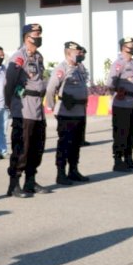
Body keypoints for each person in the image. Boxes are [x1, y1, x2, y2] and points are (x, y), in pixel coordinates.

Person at [4, 23, 51, 197]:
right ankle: (14, 184)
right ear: (26, 37)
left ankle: (30, 181)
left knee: (37, 147)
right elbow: (9, 84)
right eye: (35, 34)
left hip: (38, 109)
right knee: (21, 148)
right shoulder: (18, 57)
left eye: (40, 33)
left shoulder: (38, 57)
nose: (39, 36)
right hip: (23, 110)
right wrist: (11, 105)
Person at [46, 42, 90, 185]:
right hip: (66, 113)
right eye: (76, 51)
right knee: (65, 144)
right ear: (68, 52)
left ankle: (73, 170)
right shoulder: (62, 68)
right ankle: (61, 173)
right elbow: (51, 88)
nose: (79, 54)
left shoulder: (80, 68)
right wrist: (53, 107)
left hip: (79, 112)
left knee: (76, 144)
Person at [106, 37, 133, 171]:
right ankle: (118, 161)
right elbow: (110, 84)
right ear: (123, 47)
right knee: (120, 134)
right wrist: (117, 91)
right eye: (131, 45)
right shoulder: (118, 64)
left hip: (132, 103)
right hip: (121, 105)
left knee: (131, 133)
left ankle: (129, 158)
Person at [78, 46, 91, 147]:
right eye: (82, 53)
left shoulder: (81, 66)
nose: (83, 56)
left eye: (84, 54)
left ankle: (82, 139)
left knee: (83, 119)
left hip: (83, 95)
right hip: (75, 98)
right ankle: (77, 140)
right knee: (77, 120)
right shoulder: (73, 66)